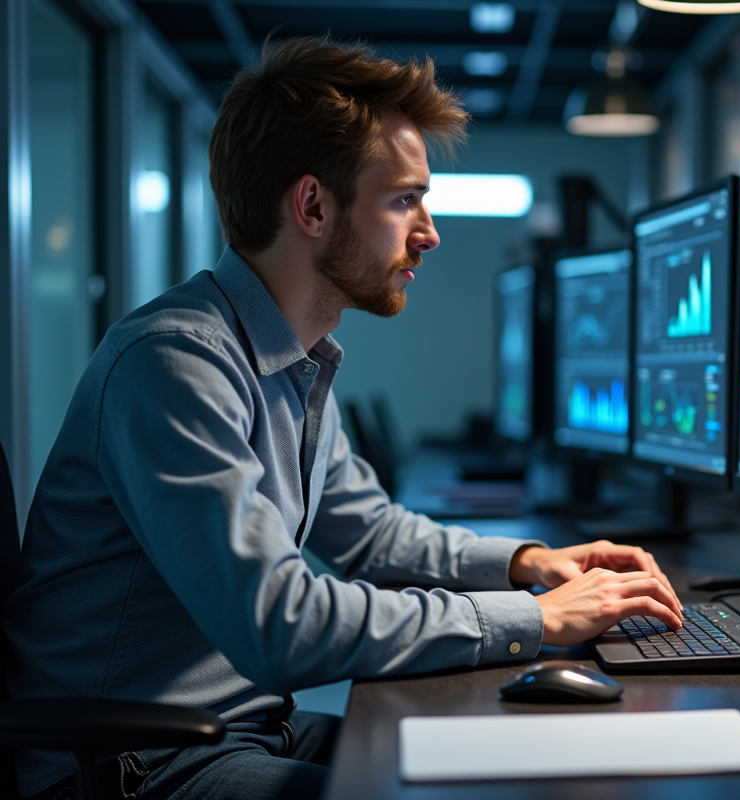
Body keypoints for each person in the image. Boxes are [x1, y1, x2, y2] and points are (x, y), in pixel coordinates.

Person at [3, 36, 682, 800]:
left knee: (523, 756)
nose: (427, 231)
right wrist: (534, 617)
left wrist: (530, 563)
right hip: (131, 767)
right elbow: (279, 624)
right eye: (403, 199)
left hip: (242, 731)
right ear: (314, 206)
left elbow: (368, 533)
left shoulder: (295, 358)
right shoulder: (176, 363)